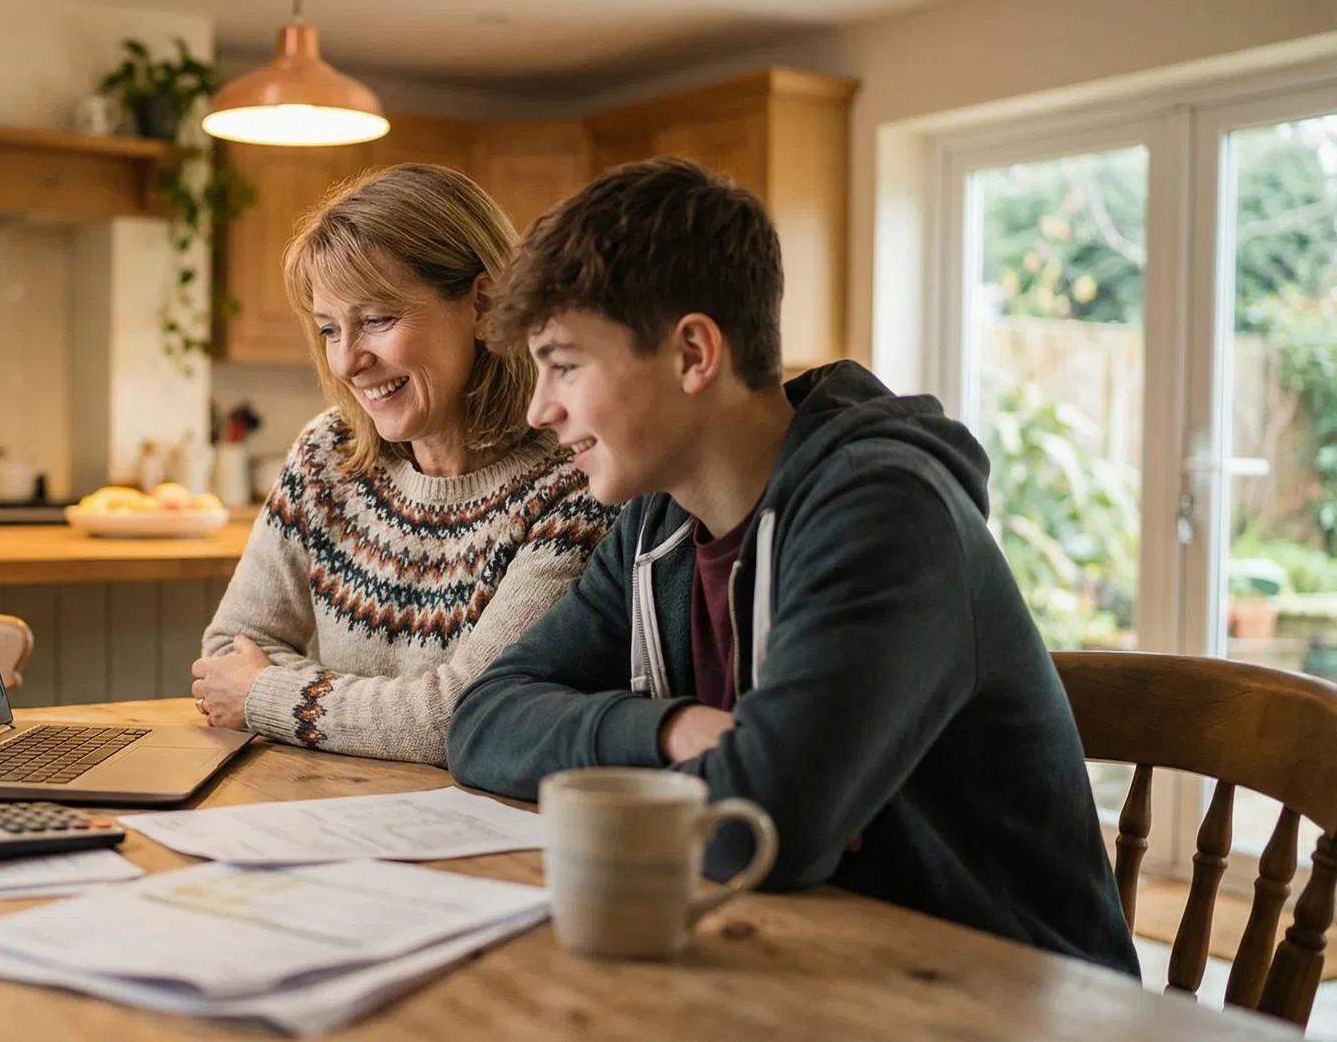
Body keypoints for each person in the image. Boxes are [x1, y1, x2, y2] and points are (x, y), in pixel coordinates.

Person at [444, 156, 1140, 974]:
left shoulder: (885, 513)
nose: (540, 407)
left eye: (564, 364)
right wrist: (668, 731)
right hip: (807, 962)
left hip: (1005, 995)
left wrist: (631, 758)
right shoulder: (655, 529)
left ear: (694, 354)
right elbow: (481, 719)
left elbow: (760, 826)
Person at [193, 163, 617, 766]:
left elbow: (465, 713)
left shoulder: (579, 480)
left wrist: (266, 694)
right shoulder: (327, 454)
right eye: (329, 330)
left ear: (484, 303)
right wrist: (360, 711)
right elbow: (229, 651)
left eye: (376, 320)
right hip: (332, 813)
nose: (345, 362)